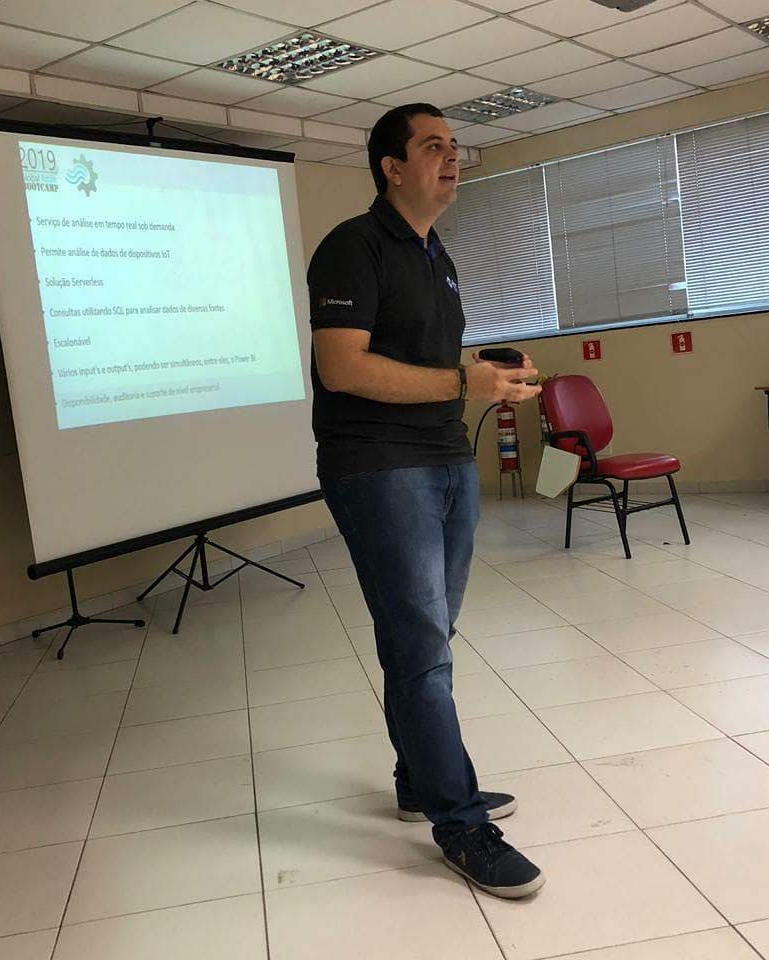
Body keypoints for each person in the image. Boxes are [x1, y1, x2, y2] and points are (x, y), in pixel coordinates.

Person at [307, 103, 545, 900]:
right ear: (392, 167)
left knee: (428, 636)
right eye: (433, 146)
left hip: (445, 458)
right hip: (379, 468)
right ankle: (461, 823)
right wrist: (460, 382)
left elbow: (428, 361)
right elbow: (343, 368)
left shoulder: (436, 253)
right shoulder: (353, 246)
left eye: (455, 147)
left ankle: (418, 778)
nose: (452, 158)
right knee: (421, 648)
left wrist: (489, 372)